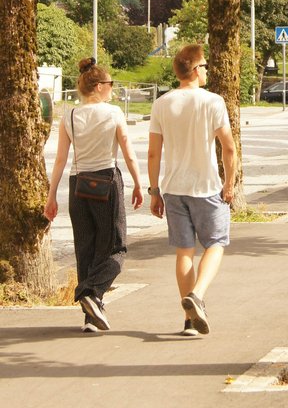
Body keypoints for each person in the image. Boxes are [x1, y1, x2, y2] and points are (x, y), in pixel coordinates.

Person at [44, 57, 143, 333]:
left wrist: (51, 196)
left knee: (85, 249)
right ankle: (91, 290)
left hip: (79, 185)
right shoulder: (113, 113)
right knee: (115, 247)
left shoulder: (70, 115)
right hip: (106, 181)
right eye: (110, 84)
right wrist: (139, 184)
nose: (112, 88)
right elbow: (128, 153)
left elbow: (61, 159)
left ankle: (91, 316)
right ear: (98, 86)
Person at [148, 44, 236, 336]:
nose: (207, 70)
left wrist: (154, 190)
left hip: (174, 188)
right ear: (196, 70)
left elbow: (153, 153)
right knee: (215, 243)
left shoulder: (162, 103)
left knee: (184, 251)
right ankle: (197, 295)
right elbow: (228, 148)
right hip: (206, 186)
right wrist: (229, 183)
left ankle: (188, 322)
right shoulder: (213, 102)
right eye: (205, 66)